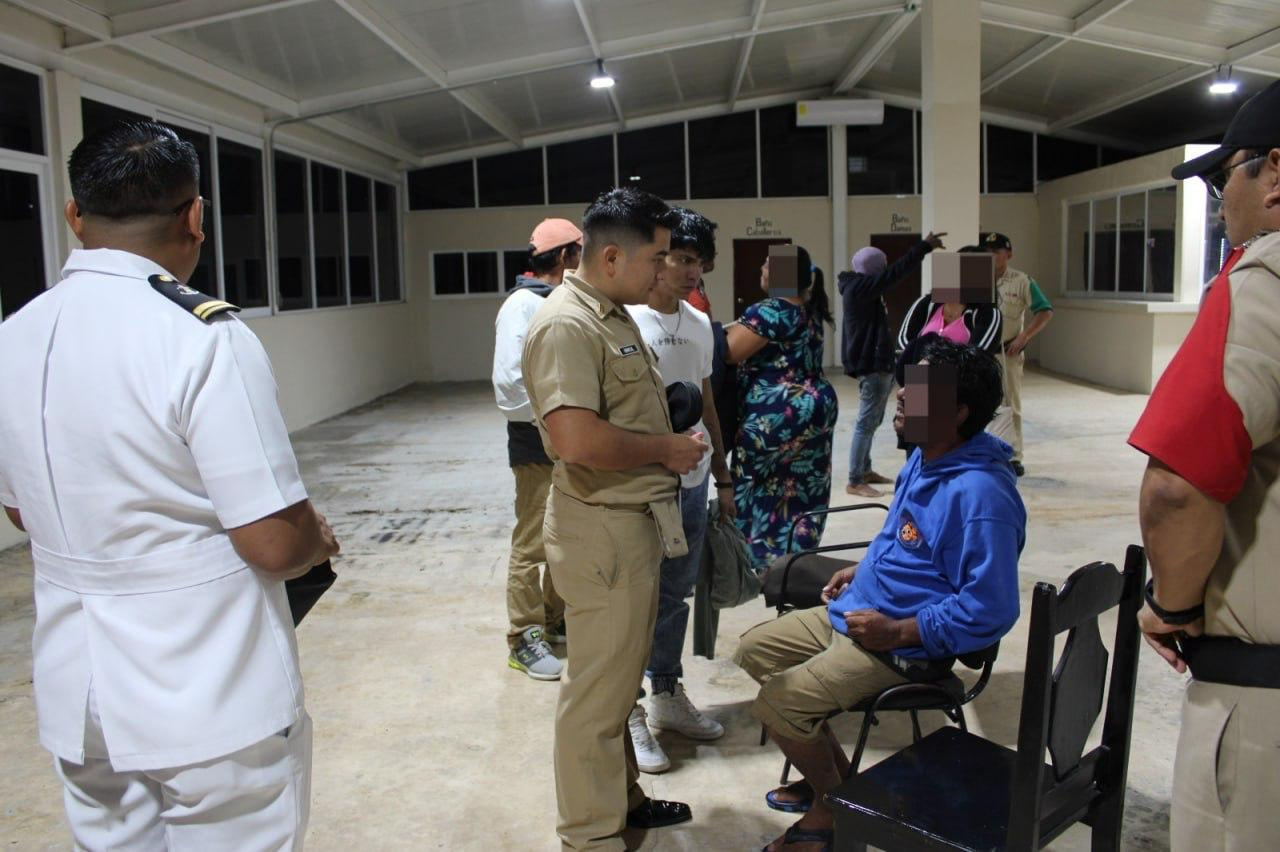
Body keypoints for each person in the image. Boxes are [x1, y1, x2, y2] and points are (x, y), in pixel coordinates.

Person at [0, 121, 339, 848]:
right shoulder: (201, 336)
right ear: (195, 217)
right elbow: (275, 545)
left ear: (74, 215)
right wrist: (315, 536)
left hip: (78, 690)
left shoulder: (15, 336)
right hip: (206, 696)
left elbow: (23, 509)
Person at [734, 337, 1024, 852]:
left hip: (902, 648)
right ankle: (839, 787)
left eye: (920, 392)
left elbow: (991, 608)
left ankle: (834, 808)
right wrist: (861, 568)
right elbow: (903, 539)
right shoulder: (926, 455)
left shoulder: (979, 495)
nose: (902, 397)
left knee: (779, 707)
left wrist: (899, 630)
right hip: (860, 612)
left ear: (958, 412)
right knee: (753, 650)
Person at [522, 187, 708, 850]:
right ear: (609, 256)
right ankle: (590, 836)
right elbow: (574, 439)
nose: (666, 271)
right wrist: (666, 450)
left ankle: (622, 804)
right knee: (596, 701)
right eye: (656, 258)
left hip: (631, 524)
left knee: (618, 682)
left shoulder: (611, 312)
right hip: (601, 532)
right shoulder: (568, 325)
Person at [1128, 78, 1280, 852]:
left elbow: (1178, 485)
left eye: (1227, 178)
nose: (1223, 203)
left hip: (1264, 706)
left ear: (1274, 173)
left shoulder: (1263, 282)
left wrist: (1175, 603)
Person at [624, 207, 732, 772]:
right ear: (659, 256)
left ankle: (666, 693)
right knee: (637, 597)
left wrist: (722, 474)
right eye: (683, 259)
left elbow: (707, 400)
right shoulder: (623, 322)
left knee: (675, 595)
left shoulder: (698, 324)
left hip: (692, 483)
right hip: (642, 484)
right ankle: (630, 710)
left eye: (701, 262)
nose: (693, 272)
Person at [492, 217, 582, 681]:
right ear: (565, 256)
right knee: (532, 543)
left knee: (564, 537)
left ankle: (552, 620)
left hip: (570, 441)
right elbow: (508, 386)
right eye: (580, 254)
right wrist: (557, 419)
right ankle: (523, 637)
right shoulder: (522, 305)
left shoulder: (564, 303)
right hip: (536, 443)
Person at [726, 246, 839, 567]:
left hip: (777, 415)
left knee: (752, 485)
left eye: (767, 264)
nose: (761, 267)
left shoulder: (771, 310)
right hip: (817, 409)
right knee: (802, 489)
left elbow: (729, 352)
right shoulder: (809, 308)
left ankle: (752, 563)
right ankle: (795, 560)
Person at [839, 233, 946, 498]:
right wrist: (923, 247)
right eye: (882, 265)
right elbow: (895, 273)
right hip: (872, 365)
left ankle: (864, 470)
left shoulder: (863, 288)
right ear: (875, 268)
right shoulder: (860, 288)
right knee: (866, 421)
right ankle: (855, 480)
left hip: (879, 363)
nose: (886, 269)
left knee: (873, 420)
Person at [981, 232, 1054, 477]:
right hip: (980, 352)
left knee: (1010, 404)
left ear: (1008, 254)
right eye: (987, 251)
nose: (991, 256)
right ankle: (982, 450)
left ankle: (1013, 455)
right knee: (979, 403)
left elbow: (1044, 311)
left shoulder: (1021, 281)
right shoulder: (974, 279)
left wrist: (1025, 336)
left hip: (1006, 352)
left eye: (996, 251)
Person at [897, 248, 1002, 357]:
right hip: (916, 373)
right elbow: (902, 344)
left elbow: (976, 357)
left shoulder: (988, 314)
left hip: (959, 374)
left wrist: (931, 361)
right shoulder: (927, 303)